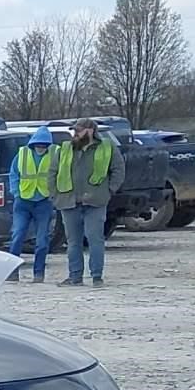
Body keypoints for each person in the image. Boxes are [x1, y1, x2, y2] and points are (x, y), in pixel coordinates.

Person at [49, 115, 121, 286]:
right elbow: (52, 172)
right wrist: (54, 195)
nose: (75, 134)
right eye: (74, 130)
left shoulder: (107, 147)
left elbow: (118, 170)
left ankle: (97, 276)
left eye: (79, 130)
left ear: (90, 131)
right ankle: (75, 277)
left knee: (95, 239)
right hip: (68, 201)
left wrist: (109, 191)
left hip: (95, 201)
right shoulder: (64, 148)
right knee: (73, 242)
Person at [5, 126, 55, 280]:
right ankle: (12, 272)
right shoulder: (22, 154)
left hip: (44, 202)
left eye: (44, 145)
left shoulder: (55, 154)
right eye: (38, 145)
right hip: (23, 202)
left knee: (42, 240)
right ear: (33, 144)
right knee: (17, 235)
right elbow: (14, 174)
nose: (41, 148)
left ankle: (38, 273)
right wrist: (16, 193)